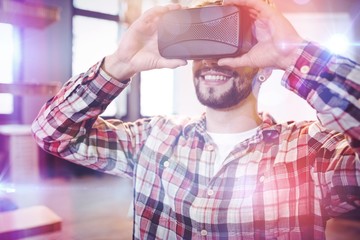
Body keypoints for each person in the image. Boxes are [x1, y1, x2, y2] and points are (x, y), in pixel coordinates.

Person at [31, 0, 360, 239]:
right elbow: (52, 133)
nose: (213, 59)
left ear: (265, 67)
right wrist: (120, 64)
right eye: (202, 43)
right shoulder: (153, 137)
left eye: (230, 45)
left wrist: (294, 55)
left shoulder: (313, 154)